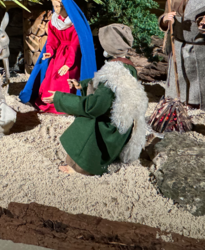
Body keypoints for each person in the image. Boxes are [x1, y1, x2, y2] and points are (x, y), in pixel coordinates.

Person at [44, 24, 148, 175]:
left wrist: (59, 98)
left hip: (111, 130)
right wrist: (82, 85)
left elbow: (94, 107)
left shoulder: (113, 75)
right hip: (123, 126)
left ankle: (83, 166)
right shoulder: (127, 67)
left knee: (84, 120)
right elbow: (105, 89)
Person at [19, 0, 97, 114]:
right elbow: (51, 40)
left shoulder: (74, 24)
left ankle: (65, 103)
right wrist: (49, 52)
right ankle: (50, 102)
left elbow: (74, 46)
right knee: (52, 77)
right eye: (54, 6)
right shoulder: (53, 22)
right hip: (58, 55)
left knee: (66, 79)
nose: (54, 9)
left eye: (57, 6)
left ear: (64, 7)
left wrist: (68, 64)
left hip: (72, 56)